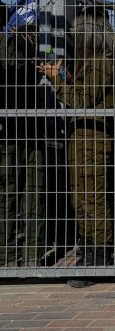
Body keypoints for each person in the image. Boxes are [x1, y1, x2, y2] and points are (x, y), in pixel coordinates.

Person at [38, 7, 115, 286]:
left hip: (93, 137)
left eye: (77, 30)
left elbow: (83, 99)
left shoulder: (101, 63)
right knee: (81, 197)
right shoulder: (94, 62)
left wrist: (57, 81)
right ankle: (89, 249)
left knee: (92, 197)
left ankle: (100, 256)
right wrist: (63, 78)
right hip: (83, 135)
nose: (73, 35)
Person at [0, 24, 46, 267]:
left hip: (12, 131)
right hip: (30, 129)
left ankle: (7, 256)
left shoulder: (12, 46)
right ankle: (31, 256)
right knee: (32, 193)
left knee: (9, 195)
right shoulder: (40, 49)